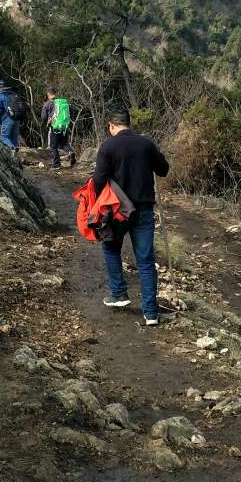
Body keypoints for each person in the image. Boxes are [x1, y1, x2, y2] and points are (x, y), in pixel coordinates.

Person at [92, 108, 169, 326]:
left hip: (117, 211)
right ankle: (151, 314)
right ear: (129, 123)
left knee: (111, 248)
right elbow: (163, 169)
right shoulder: (146, 144)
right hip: (144, 209)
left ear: (111, 125)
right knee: (146, 261)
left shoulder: (108, 146)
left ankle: (119, 293)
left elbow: (98, 180)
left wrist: (98, 205)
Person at [40, 87, 76, 169]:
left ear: (48, 94)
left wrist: (47, 121)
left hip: (54, 127)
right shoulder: (62, 102)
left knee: (53, 146)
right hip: (64, 126)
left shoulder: (48, 103)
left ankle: (56, 164)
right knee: (64, 144)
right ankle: (70, 152)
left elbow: (43, 117)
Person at [0, 79, 22, 153]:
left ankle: (12, 148)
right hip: (17, 118)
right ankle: (15, 155)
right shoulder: (13, 93)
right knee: (14, 139)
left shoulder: (0, 96)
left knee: (3, 137)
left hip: (7, 119)